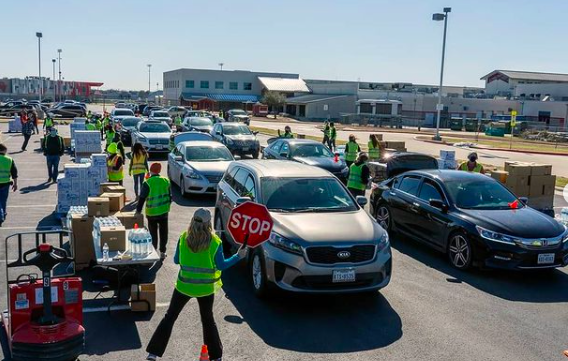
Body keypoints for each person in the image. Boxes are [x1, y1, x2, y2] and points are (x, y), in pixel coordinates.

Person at [145, 208, 247, 361]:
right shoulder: (215, 242)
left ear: (193, 220)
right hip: (205, 289)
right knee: (207, 320)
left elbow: (176, 260)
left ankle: (153, 353)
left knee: (170, 317)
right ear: (208, 224)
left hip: (184, 286)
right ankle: (216, 356)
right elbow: (221, 265)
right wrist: (238, 256)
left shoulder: (183, 237)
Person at [136, 163, 171, 260]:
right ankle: (163, 252)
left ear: (151, 171)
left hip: (151, 213)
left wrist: (138, 211)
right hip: (164, 212)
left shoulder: (147, 182)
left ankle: (154, 250)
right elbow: (170, 196)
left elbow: (142, 198)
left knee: (153, 233)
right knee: (164, 233)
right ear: (159, 171)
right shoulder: (166, 181)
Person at [0, 144, 18, 227]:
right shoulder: (9, 159)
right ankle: (3, 213)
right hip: (5, 183)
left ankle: (1, 215)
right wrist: (15, 183)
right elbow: (14, 173)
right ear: (3, 150)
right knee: (3, 200)